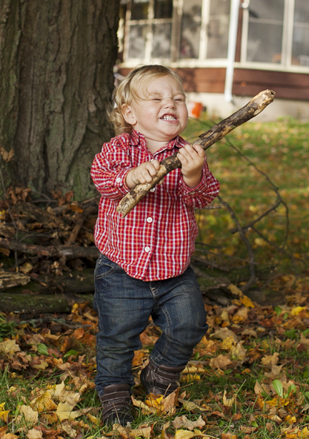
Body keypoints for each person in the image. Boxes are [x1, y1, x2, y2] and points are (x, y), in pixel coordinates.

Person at [89, 65, 219, 426]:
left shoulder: (190, 154)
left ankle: (159, 373)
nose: (171, 104)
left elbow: (205, 197)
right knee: (117, 338)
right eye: (158, 98)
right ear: (130, 114)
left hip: (173, 271)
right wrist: (129, 177)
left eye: (178, 98)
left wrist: (193, 176)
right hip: (121, 268)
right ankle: (114, 392)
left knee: (190, 324)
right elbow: (100, 176)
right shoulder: (120, 148)